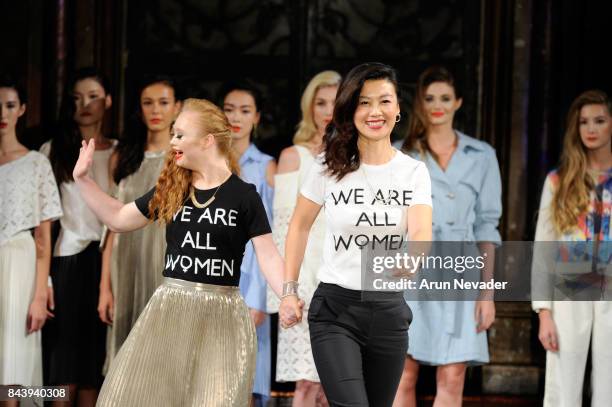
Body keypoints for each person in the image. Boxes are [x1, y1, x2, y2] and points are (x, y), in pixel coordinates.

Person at [72, 98, 298, 406]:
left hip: (222, 315)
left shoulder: (243, 196)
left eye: (180, 134)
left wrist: (287, 294)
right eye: (173, 134)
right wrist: (82, 180)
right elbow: (118, 218)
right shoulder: (173, 190)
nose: (173, 141)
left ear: (207, 141)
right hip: (171, 309)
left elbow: (268, 254)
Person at [281, 62, 433, 407]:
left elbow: (422, 227)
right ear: (351, 110)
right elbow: (299, 226)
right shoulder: (328, 167)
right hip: (335, 311)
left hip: (388, 311)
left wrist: (413, 256)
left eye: (384, 101)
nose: (374, 111)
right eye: (364, 102)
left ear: (397, 110)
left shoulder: (412, 172)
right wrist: (289, 290)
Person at [394, 66, 501, 407]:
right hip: (411, 267)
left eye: (444, 98)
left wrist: (487, 293)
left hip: (461, 270)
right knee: (402, 375)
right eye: (429, 99)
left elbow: (487, 226)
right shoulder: (399, 153)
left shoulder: (482, 155)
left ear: (458, 103)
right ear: (420, 105)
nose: (437, 105)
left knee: (453, 377)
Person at [41, 67, 116, 406]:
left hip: (107, 264)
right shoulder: (52, 150)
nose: (84, 104)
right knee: (62, 362)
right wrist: (44, 282)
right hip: (65, 259)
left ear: (108, 102)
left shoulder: (119, 152)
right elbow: (41, 223)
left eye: (93, 97)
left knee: (94, 361)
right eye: (77, 98)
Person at [532, 89, 612, 407]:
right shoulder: (559, 180)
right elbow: (543, 248)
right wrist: (544, 312)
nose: (590, 129)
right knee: (563, 386)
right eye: (583, 122)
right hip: (570, 285)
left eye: (600, 120)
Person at [99, 76, 181, 369]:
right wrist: (104, 288)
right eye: (148, 103)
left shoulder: (182, 159)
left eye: (163, 102)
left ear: (177, 107)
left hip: (165, 261)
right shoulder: (123, 157)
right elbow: (111, 225)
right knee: (124, 352)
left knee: (162, 352)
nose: (155, 110)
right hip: (125, 259)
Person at [270, 70, 340, 407]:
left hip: (348, 285)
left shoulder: (360, 158)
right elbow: (284, 229)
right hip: (306, 287)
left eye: (335, 102)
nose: (328, 110)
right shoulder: (293, 157)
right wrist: (289, 291)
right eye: (320, 102)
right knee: (307, 386)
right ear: (309, 108)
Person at [0, 74, 62, 405]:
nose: (2, 113)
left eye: (10, 105)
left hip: (18, 266)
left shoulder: (36, 163)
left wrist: (39, 295)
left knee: (12, 373)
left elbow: (43, 238)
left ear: (22, 109)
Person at [221, 80, 275, 407]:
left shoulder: (267, 166)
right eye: (228, 110)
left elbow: (269, 238)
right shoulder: (209, 162)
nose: (235, 118)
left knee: (248, 379)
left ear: (257, 117)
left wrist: (260, 297)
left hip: (253, 280)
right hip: (214, 274)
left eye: (244, 111)